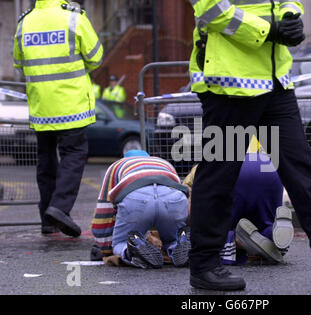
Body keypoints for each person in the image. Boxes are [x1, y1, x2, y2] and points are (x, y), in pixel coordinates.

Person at [187, 0, 311, 290]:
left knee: (301, 169)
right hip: (230, 84)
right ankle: (204, 264)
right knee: (219, 176)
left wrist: (292, 17)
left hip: (275, 83)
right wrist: (269, 31)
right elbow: (211, 9)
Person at [13, 0, 103, 237]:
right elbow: (95, 56)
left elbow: (18, 62)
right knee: (74, 154)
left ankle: (47, 220)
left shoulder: (25, 21)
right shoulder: (73, 17)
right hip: (71, 105)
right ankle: (60, 208)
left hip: (42, 107)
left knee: (46, 161)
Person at [183, 138, 294, 266]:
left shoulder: (211, 157)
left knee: (220, 227)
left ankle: (236, 240)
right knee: (266, 222)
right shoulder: (258, 140)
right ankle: (272, 235)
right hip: (271, 170)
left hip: (236, 173)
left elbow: (188, 196)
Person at [90, 150, 191, 268]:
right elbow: (178, 191)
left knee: (119, 244)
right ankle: (180, 243)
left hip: (136, 198)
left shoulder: (116, 165)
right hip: (173, 198)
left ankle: (132, 250)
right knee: (172, 239)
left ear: (124, 158)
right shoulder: (164, 163)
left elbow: (104, 210)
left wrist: (105, 247)